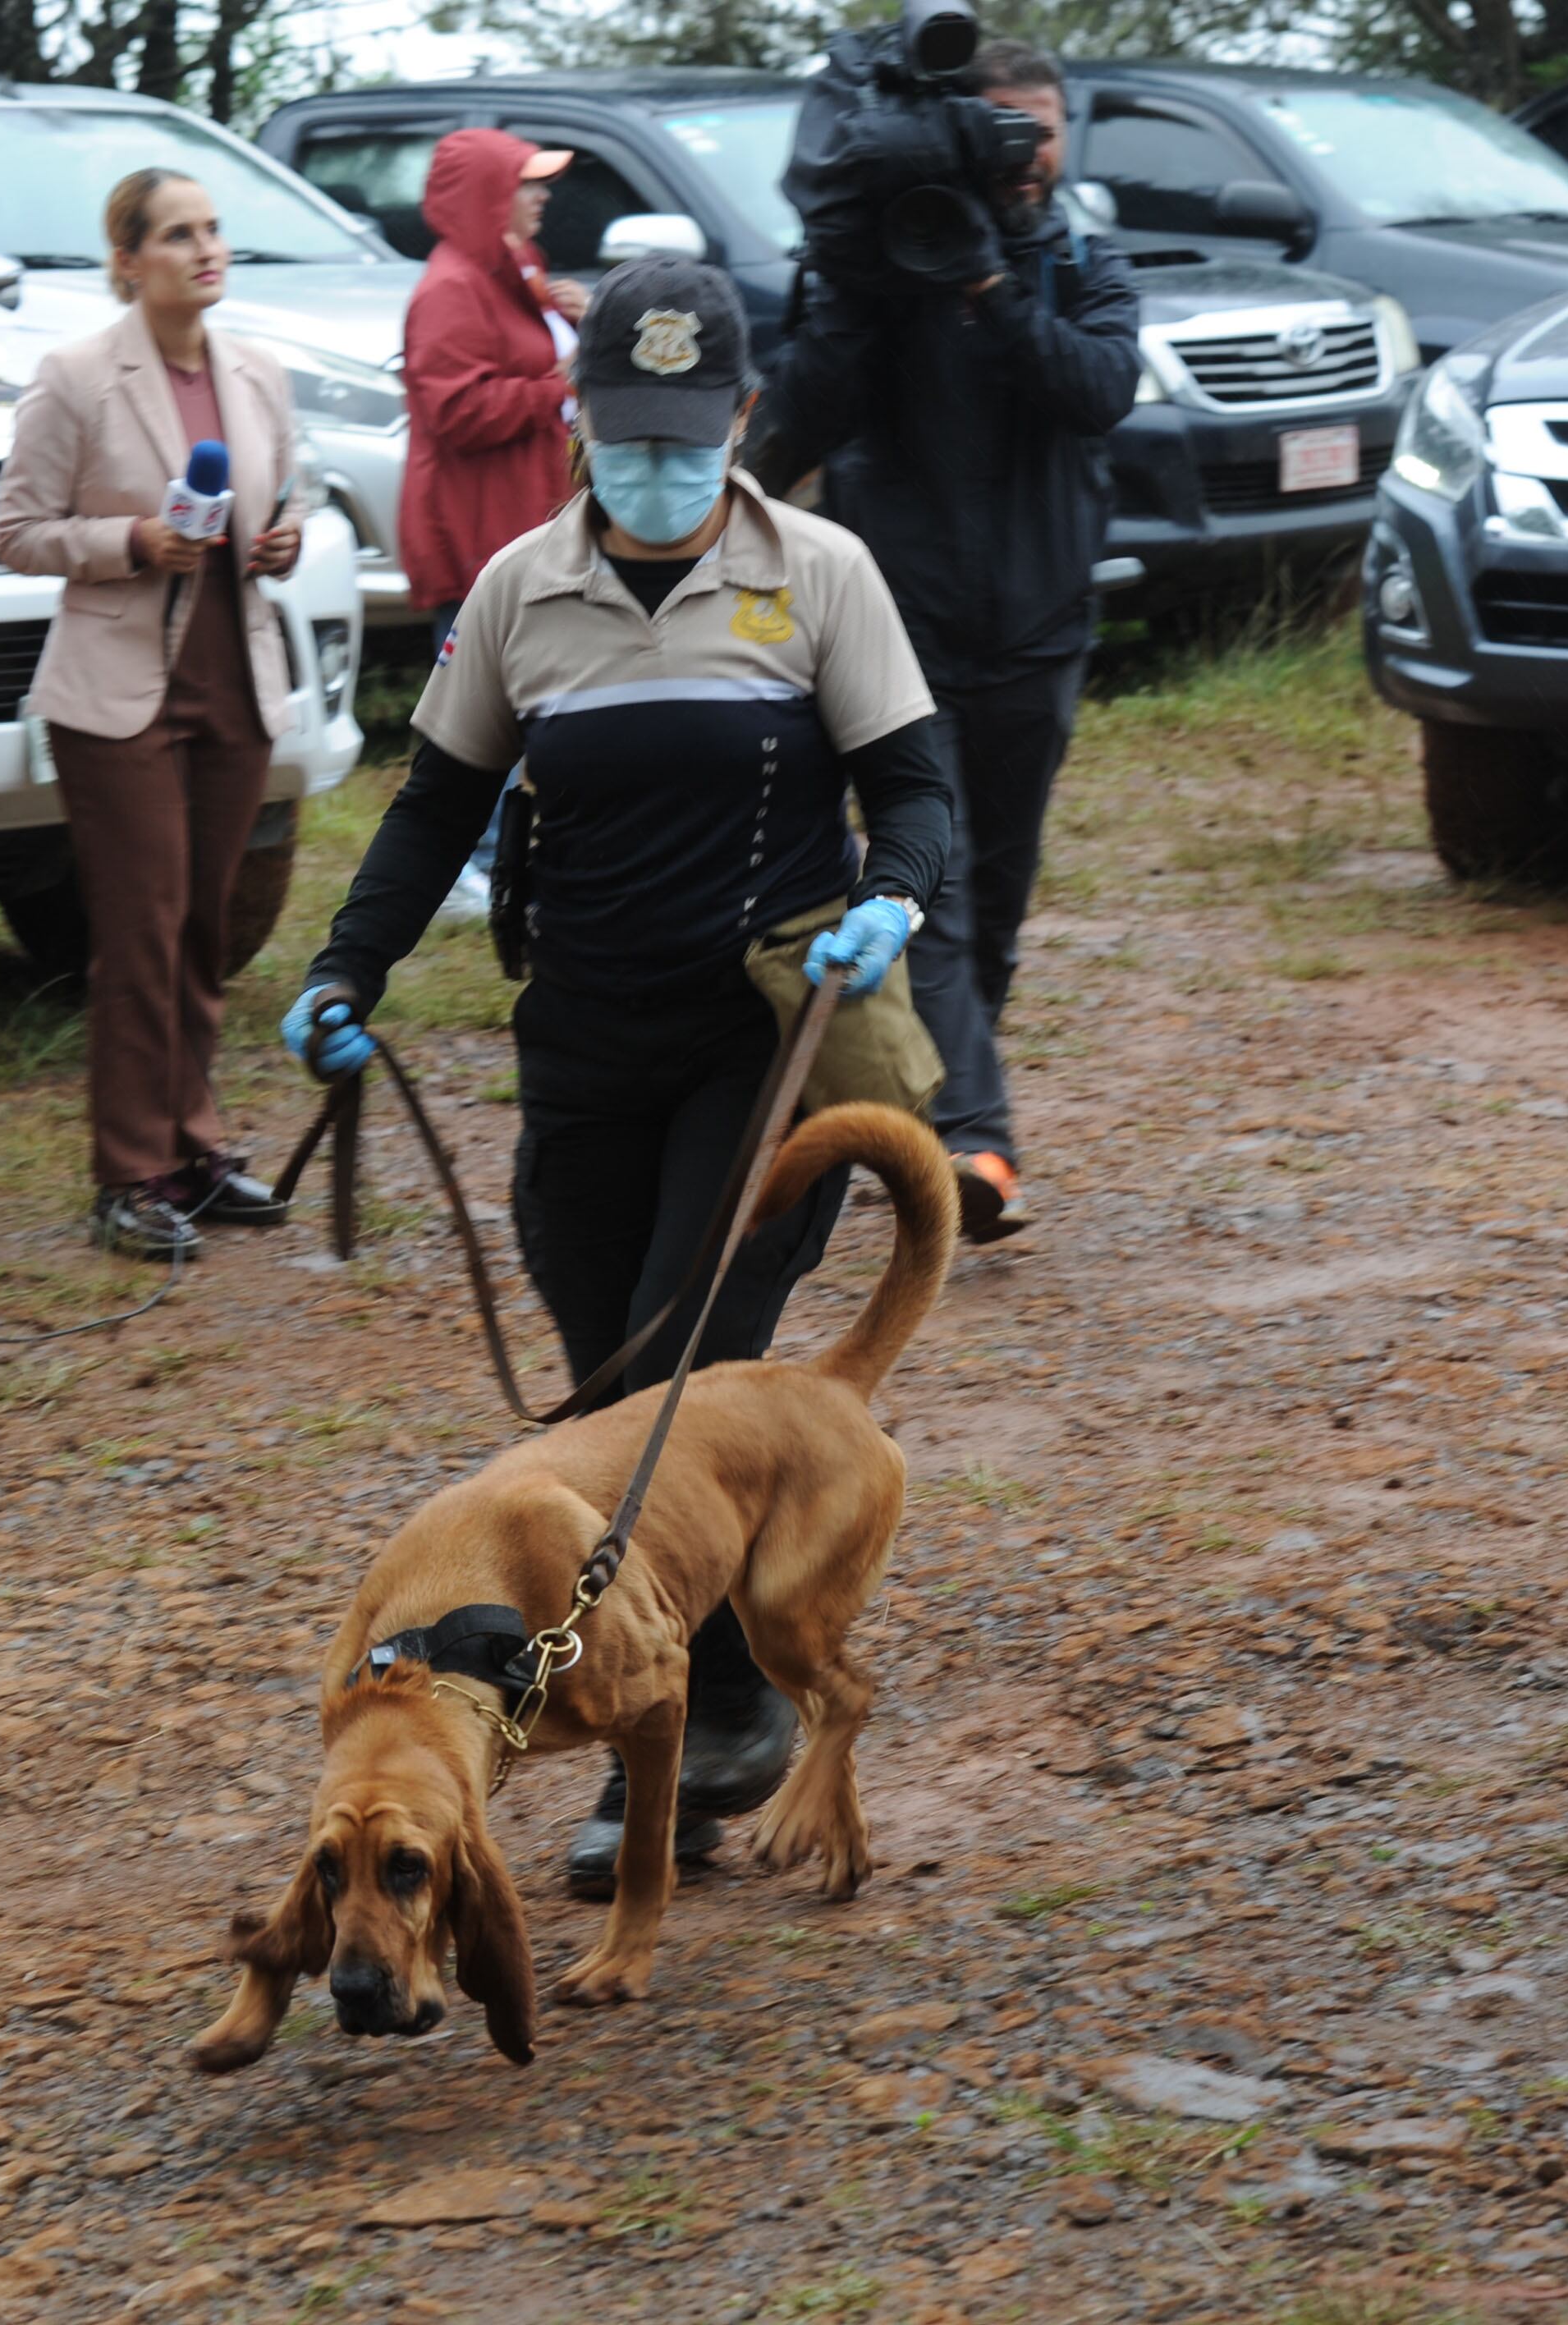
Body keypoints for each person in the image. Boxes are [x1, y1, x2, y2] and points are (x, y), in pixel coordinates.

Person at [284, 256, 951, 1897]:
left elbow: (917, 785)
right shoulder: (520, 589)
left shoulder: (821, 575)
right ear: (581, 423)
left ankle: (700, 1718)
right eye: (621, 436)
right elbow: (437, 806)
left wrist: (894, 891)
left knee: (684, 1384)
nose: (651, 467)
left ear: (733, 418)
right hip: (580, 1046)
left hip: (754, 1040)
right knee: (598, 1404)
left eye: (684, 433)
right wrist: (340, 969)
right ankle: (682, 1696)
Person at [749, 38, 1139, 1245]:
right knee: (943, 888)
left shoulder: (1078, 259)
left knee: (1001, 894)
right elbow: (801, 419)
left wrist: (992, 289)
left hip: (1037, 630)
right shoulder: (888, 269)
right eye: (1001, 128)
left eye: (1042, 128)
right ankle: (975, 1141)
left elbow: (1100, 387)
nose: (1025, 153)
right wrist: (870, 295)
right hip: (901, 632)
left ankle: (959, 1098)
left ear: (1067, 135)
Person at [0, 167, 307, 1263]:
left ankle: (195, 1146)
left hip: (237, 673)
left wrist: (284, 539)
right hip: (118, 692)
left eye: (213, 231)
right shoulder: (76, 375)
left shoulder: (256, 369)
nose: (205, 250)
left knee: (206, 927)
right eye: (178, 235)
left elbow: (292, 491)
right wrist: (130, 541)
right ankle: (130, 1174)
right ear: (127, 260)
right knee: (141, 928)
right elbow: (21, 531)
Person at [398, 128, 586, 924]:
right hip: (477, 531)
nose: (542, 196)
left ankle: (506, 857)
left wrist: (572, 313)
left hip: (525, 518)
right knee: (476, 710)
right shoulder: (448, 289)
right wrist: (557, 382)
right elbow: (457, 410)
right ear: (485, 195)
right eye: (526, 183)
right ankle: (459, 871)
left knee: (533, 697)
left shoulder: (515, 269)